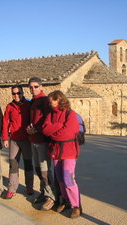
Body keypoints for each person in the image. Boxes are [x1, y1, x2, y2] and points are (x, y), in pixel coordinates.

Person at [42, 90, 82, 219]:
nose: (50, 102)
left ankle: (77, 206)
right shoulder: (50, 114)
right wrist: (59, 126)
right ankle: (66, 201)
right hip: (56, 151)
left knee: (68, 178)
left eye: (52, 100)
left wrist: (54, 130)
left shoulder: (70, 114)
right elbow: (45, 130)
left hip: (69, 151)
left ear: (59, 99)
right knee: (59, 179)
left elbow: (68, 133)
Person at [26, 77, 56, 211]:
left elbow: (47, 119)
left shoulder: (44, 101)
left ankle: (51, 197)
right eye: (31, 87)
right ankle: (44, 193)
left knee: (45, 171)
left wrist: (36, 129)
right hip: (33, 141)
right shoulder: (33, 101)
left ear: (41, 86)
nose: (33, 89)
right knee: (38, 169)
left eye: (36, 86)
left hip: (42, 141)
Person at [2, 85, 34, 199]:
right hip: (14, 139)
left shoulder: (29, 105)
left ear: (22, 92)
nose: (16, 95)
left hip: (26, 139)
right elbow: (5, 122)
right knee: (13, 164)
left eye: (18, 93)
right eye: (14, 93)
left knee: (28, 164)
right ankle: (12, 189)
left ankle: (29, 187)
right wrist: (5, 138)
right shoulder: (9, 107)